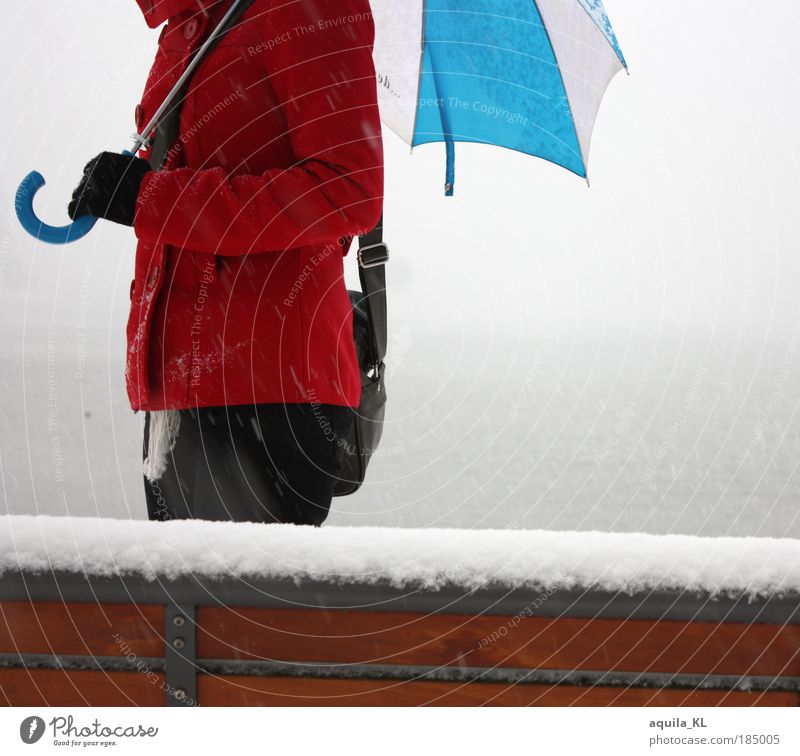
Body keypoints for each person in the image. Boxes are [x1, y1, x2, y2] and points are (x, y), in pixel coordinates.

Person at [66, 0, 384, 525]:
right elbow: (198, 165)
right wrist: (129, 185)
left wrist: (149, 198)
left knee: (229, 607)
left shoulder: (307, 6)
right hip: (177, 387)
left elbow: (349, 189)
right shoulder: (188, 23)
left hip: (266, 386)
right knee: (182, 605)